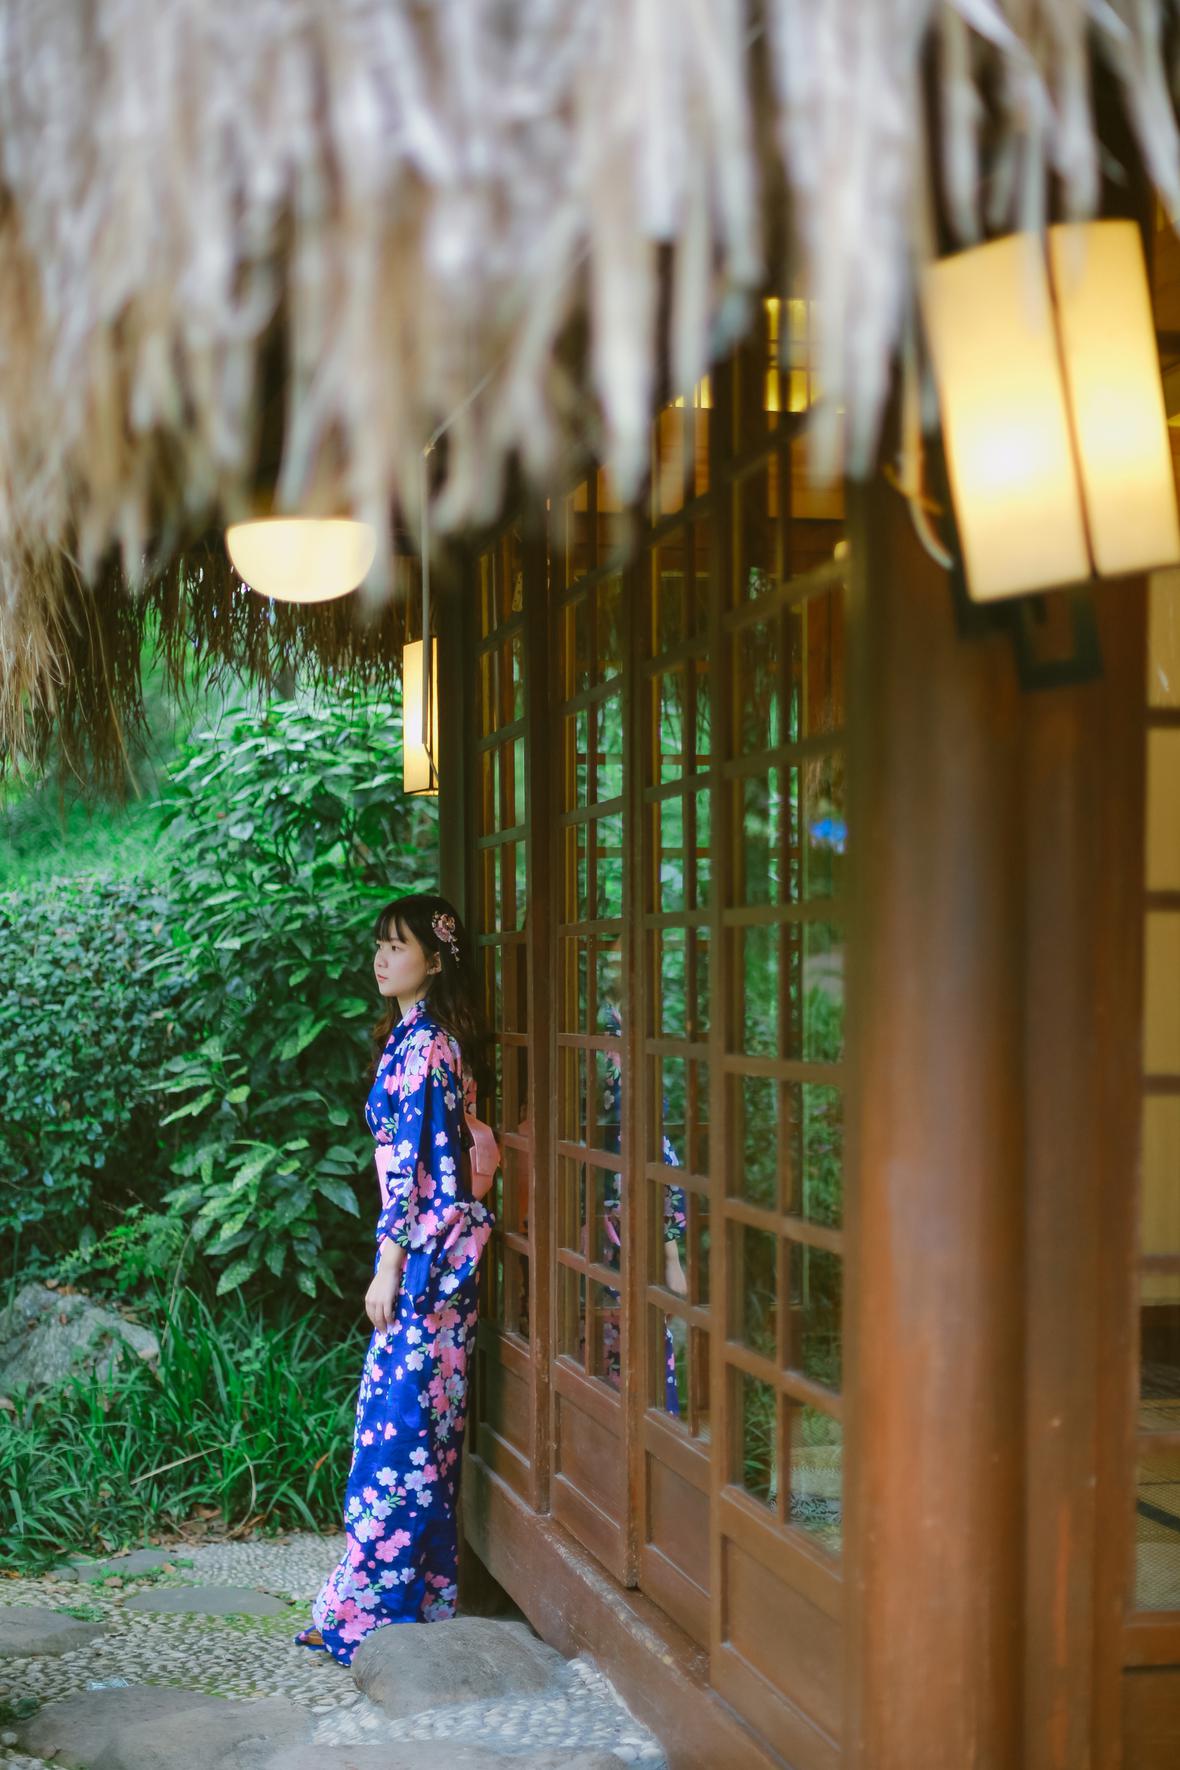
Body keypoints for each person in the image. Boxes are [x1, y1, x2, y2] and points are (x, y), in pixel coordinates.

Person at [294, 893, 495, 1664]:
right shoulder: (411, 1040)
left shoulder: (429, 1047)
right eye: (378, 945)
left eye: (398, 946)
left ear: (435, 961)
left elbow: (417, 1169)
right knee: (410, 1434)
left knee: (403, 1436)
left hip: (427, 1261)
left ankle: (375, 1611)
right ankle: (405, 1603)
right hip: (432, 1256)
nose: (381, 958)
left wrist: (389, 1265)